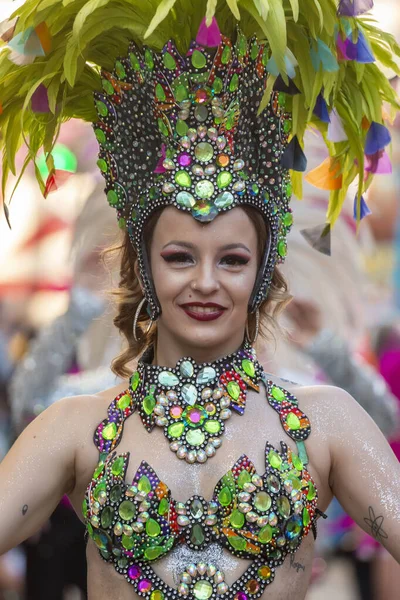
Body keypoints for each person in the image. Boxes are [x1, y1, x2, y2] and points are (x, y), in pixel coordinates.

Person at [0, 1, 399, 599]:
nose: (206, 283)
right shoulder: (76, 427)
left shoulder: (325, 421)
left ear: (263, 273)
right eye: (180, 257)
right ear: (143, 266)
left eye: (232, 260)